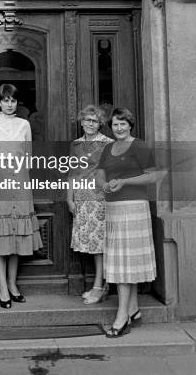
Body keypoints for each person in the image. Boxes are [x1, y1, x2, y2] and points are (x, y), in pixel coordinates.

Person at [96, 107, 164, 338]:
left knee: (125, 265)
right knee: (123, 261)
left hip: (134, 208)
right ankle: (133, 309)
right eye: (115, 124)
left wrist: (124, 182)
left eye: (123, 124)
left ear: (130, 125)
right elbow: (100, 172)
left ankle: (122, 317)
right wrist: (103, 183)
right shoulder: (108, 148)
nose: (119, 128)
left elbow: (154, 175)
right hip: (113, 209)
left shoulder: (139, 146)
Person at [0, 84, 42, 308]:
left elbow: (29, 157)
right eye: (5, 100)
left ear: (17, 102)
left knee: (17, 233)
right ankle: (2, 286)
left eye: (13, 100)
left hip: (21, 183)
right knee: (0, 233)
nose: (9, 104)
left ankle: (13, 284)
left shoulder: (24, 124)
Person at [67, 105, 113, 304]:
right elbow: (72, 173)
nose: (90, 124)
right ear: (81, 121)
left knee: (99, 245)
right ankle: (102, 285)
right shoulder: (76, 144)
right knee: (92, 244)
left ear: (100, 123)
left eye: (94, 121)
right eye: (87, 120)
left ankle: (98, 287)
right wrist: (69, 198)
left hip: (100, 199)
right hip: (82, 198)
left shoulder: (107, 143)